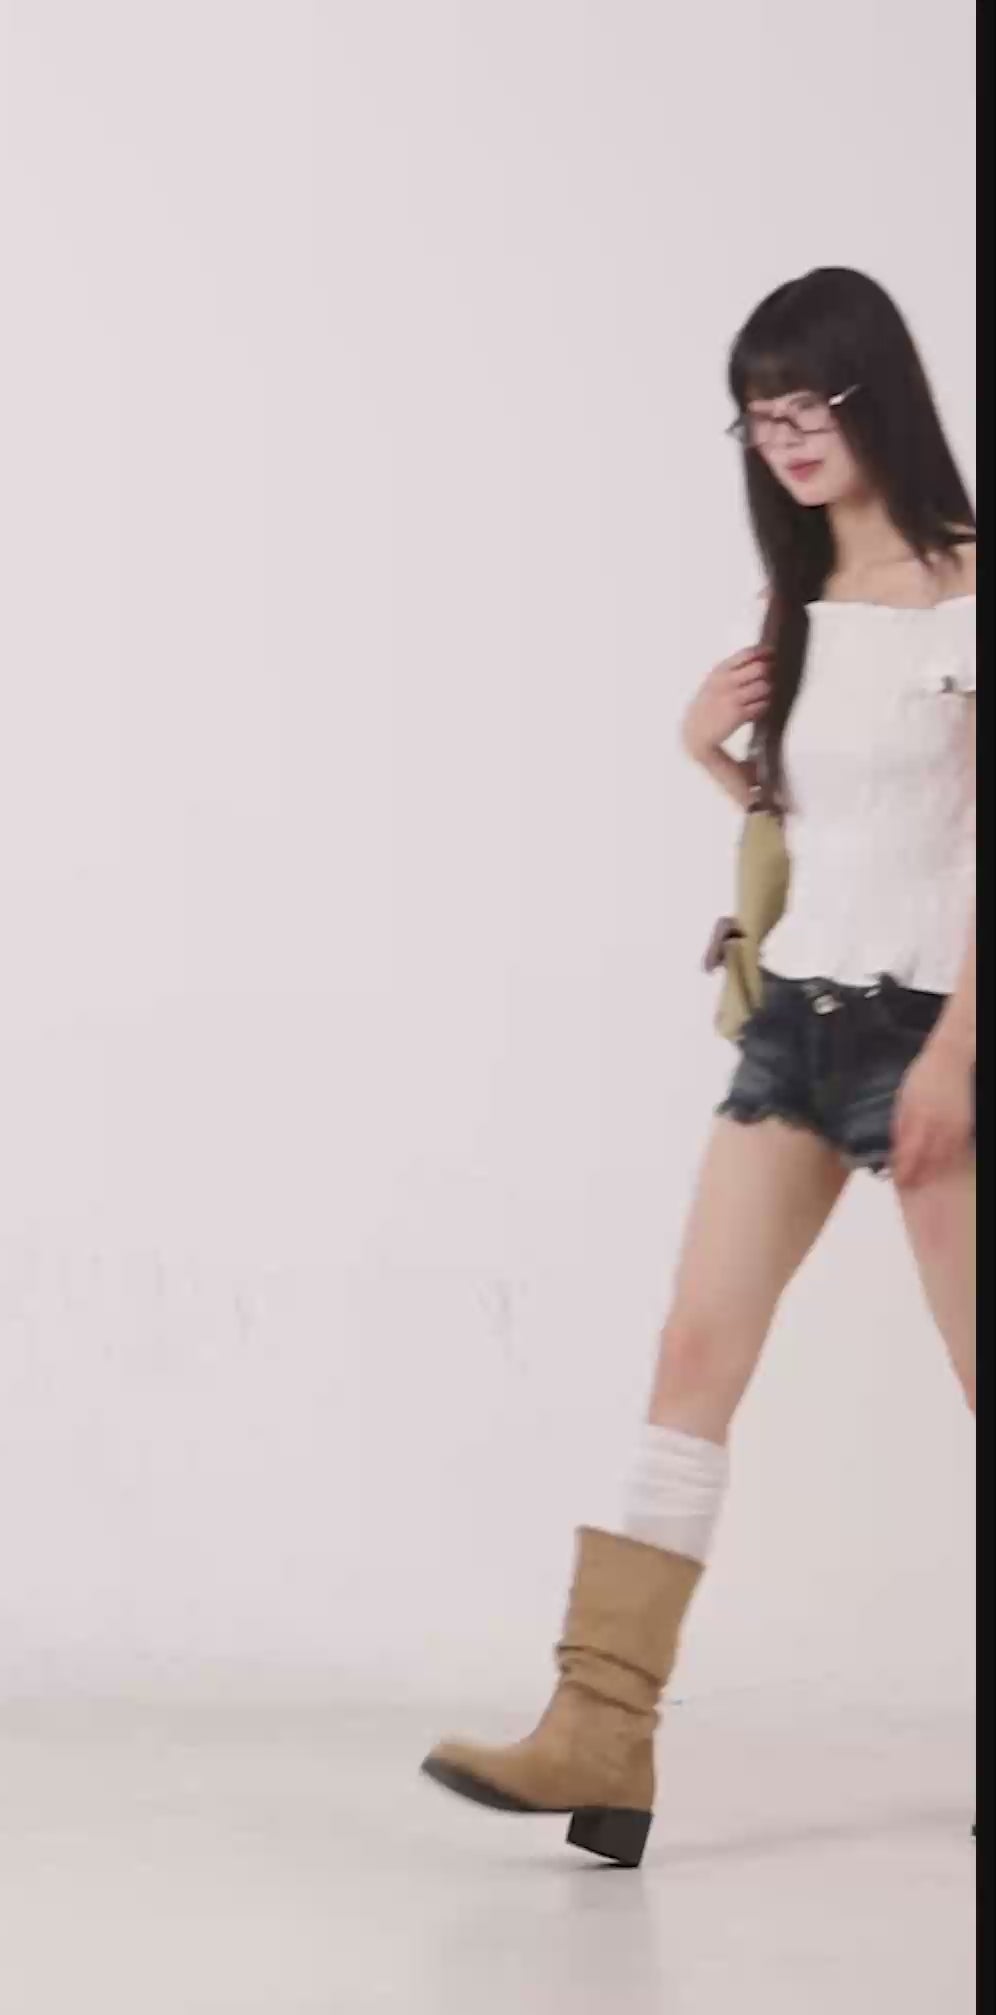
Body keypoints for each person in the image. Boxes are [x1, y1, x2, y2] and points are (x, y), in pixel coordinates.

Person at [420, 267, 976, 1868]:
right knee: (691, 1357)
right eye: (756, 416)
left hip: (936, 1027)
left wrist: (956, 1054)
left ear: (875, 396)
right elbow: (834, 827)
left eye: (807, 405)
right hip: (798, 1021)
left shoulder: (968, 586)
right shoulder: (798, 604)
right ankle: (601, 1725)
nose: (783, 438)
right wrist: (709, 757)